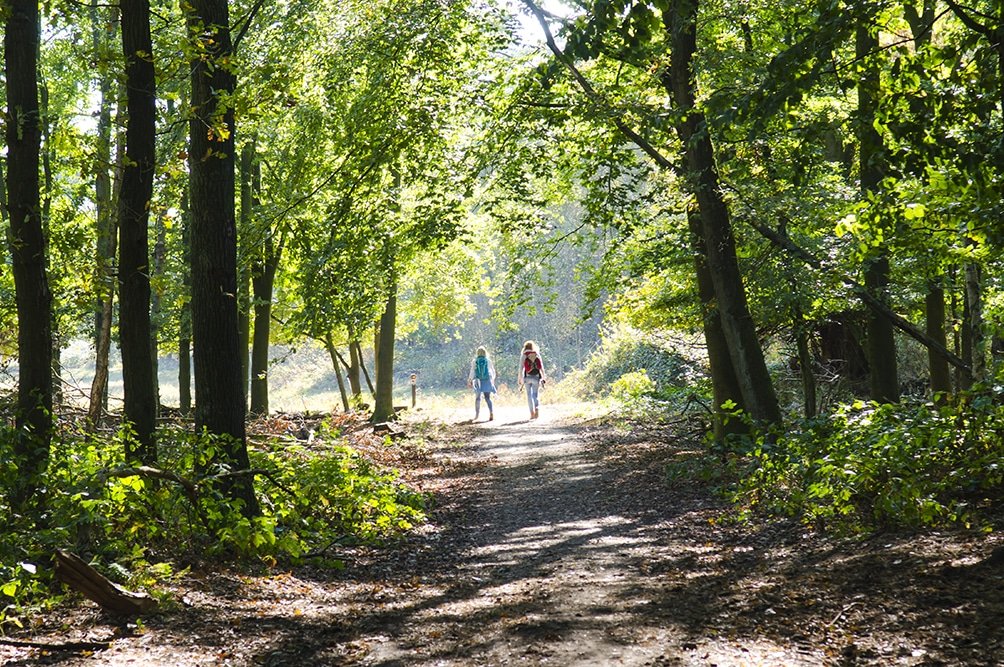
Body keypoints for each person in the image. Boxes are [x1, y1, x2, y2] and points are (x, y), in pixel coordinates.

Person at [517, 340, 546, 419]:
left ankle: (532, 413)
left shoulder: (524, 355)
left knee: (529, 395)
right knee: (535, 394)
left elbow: (521, 368)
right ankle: (537, 407)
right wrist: (543, 377)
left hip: (527, 377)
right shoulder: (536, 354)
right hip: (536, 377)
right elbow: (541, 367)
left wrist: (520, 379)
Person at [468, 346, 496, 421]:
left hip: (478, 381)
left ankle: (477, 415)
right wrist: (492, 380)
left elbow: (472, 371)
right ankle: (491, 412)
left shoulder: (475, 361)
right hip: (487, 380)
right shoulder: (488, 360)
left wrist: (470, 380)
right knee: (487, 398)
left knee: (477, 398)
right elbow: (492, 371)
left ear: (477, 353)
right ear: (485, 352)